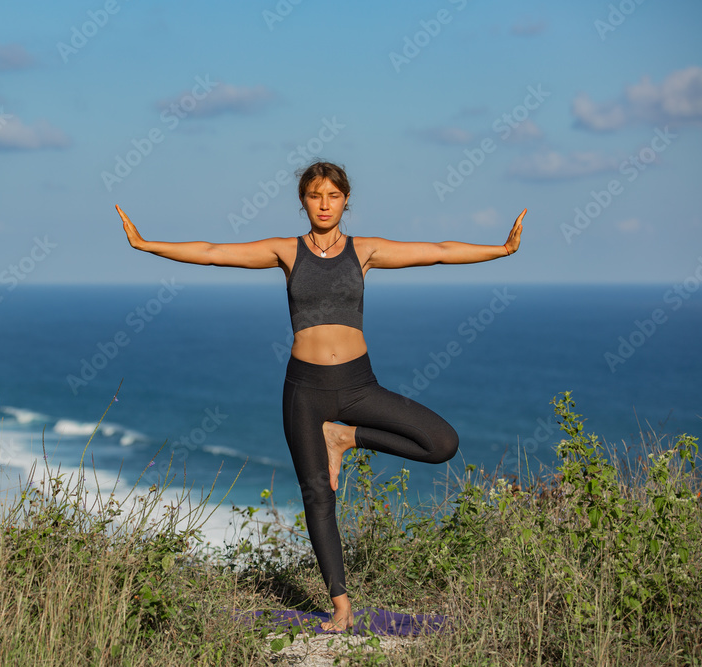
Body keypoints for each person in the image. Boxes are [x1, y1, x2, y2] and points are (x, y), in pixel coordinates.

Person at [116, 161, 525, 632]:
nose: (325, 204)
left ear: (346, 199)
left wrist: (501, 250)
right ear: (303, 201)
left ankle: (346, 437)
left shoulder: (364, 251)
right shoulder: (286, 251)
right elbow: (212, 251)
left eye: (333, 195)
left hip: (358, 386)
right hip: (304, 392)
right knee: (318, 497)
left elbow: (437, 250)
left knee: (442, 443)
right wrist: (146, 244)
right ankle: (342, 606)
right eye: (315, 195)